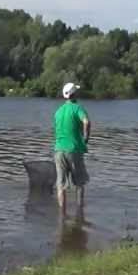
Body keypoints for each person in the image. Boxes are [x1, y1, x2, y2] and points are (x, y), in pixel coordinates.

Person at [53, 82, 91, 212]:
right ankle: (80, 213)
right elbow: (86, 122)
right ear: (74, 94)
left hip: (58, 150)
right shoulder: (77, 108)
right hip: (74, 150)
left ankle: (61, 216)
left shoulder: (58, 112)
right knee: (79, 183)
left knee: (60, 185)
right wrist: (86, 138)